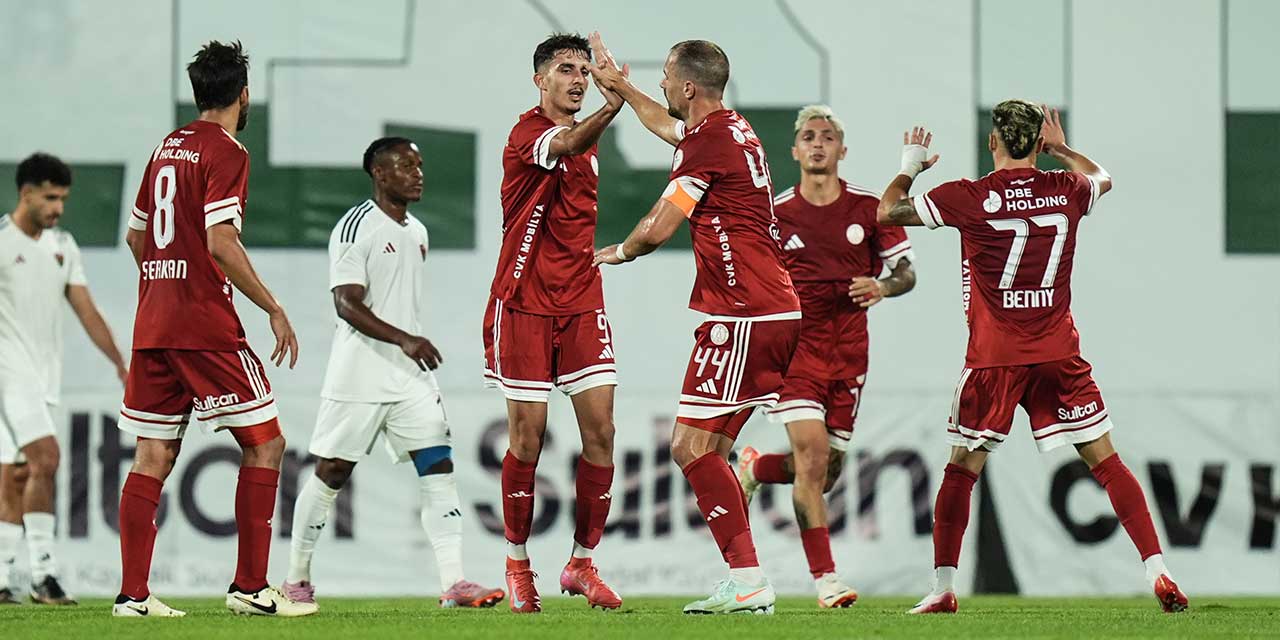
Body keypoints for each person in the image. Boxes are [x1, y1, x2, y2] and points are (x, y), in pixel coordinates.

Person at [877, 101, 1188, 614]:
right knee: (1108, 463)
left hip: (994, 357)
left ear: (992, 142)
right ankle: (1159, 570)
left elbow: (888, 211)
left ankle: (944, 587)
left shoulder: (968, 196)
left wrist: (909, 165)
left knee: (961, 471)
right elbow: (1103, 177)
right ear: (1038, 144)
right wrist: (1063, 150)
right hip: (1057, 353)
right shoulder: (1066, 189)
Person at [590, 33, 799, 615]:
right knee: (710, 449)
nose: (659, 83)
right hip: (770, 310)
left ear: (687, 86)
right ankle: (745, 579)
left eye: (664, 76)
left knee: (689, 447)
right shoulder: (732, 130)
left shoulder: (708, 143)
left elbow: (661, 225)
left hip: (744, 313)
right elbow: (667, 126)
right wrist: (623, 88)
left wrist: (620, 251)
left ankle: (750, 579)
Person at [113, 40, 315, 618]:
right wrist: (273, 306)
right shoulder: (227, 151)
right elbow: (221, 241)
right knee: (266, 443)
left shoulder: (166, 148)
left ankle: (132, 597)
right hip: (204, 325)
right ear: (243, 95)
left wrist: (165, 286)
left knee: (151, 455)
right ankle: (250, 587)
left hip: (153, 324)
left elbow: (136, 237)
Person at [282, 137, 504, 609]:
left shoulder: (417, 231)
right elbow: (345, 303)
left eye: (420, 165)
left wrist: (408, 344)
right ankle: (296, 579)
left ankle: (454, 582)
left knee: (438, 465)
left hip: (410, 376)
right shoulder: (355, 228)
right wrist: (404, 338)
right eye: (406, 165)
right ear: (379, 174)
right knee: (332, 472)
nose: (418, 173)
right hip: (360, 372)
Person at [735, 105, 916, 608]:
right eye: (810, 137)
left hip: (850, 356)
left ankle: (755, 468)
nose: (818, 144)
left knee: (826, 473)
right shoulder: (777, 214)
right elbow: (750, 280)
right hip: (795, 357)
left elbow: (907, 273)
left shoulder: (869, 208)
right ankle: (826, 581)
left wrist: (882, 286)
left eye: (827, 137)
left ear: (842, 149)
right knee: (813, 461)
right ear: (795, 151)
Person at [484, 33, 624, 613]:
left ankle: (581, 562)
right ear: (539, 79)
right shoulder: (529, 134)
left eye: (585, 72)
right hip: (523, 302)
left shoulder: (585, 137)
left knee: (602, 433)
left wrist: (623, 98)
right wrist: (614, 104)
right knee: (528, 438)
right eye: (566, 69)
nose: (578, 80)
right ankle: (518, 564)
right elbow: (566, 143)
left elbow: (579, 141)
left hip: (582, 300)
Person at [0, 153, 129, 605]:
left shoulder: (63, 246)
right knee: (47, 459)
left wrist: (120, 362)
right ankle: (44, 574)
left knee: (17, 474)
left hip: (41, 379)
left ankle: (2, 577)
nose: (58, 208)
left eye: (63, 199)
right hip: (7, 376)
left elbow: (87, 311)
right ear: (26, 193)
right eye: (51, 198)